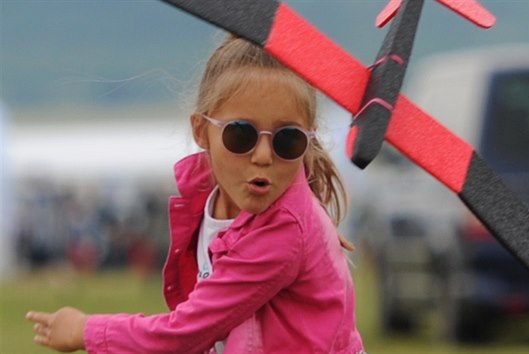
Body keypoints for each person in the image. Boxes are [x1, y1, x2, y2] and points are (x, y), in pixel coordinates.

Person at [26, 35, 366, 354]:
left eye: (287, 140)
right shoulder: (209, 196)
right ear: (202, 132)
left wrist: (87, 329)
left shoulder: (283, 230)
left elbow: (185, 332)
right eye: (240, 135)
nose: (263, 155)